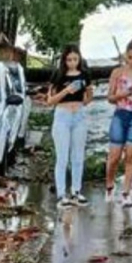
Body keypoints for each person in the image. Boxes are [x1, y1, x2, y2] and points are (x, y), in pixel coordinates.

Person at [47, 45, 93, 208]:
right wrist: (66, 90)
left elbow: (88, 99)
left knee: (78, 156)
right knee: (62, 157)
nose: (72, 63)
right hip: (62, 116)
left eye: (75, 59)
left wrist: (88, 92)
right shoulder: (58, 75)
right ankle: (61, 194)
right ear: (64, 60)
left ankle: (76, 191)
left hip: (79, 115)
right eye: (69, 60)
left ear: (79, 59)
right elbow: (50, 100)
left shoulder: (85, 74)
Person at [105, 39, 132, 207]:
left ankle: (126, 192)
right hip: (120, 114)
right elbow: (109, 97)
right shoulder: (117, 72)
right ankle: (109, 185)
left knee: (131, 155)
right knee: (114, 156)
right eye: (130, 57)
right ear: (125, 56)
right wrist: (122, 94)